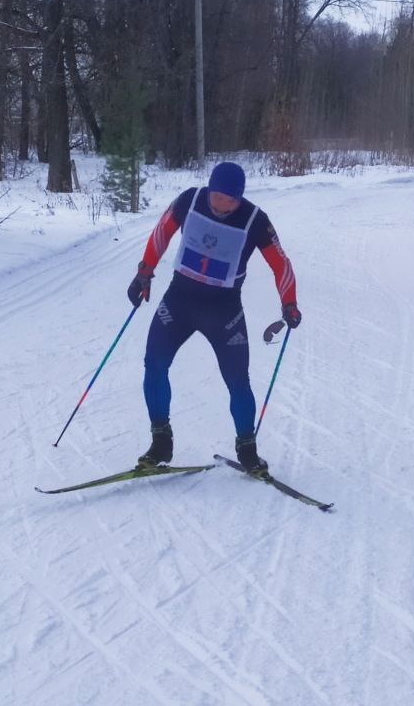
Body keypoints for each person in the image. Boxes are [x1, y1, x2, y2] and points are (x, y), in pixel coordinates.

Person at [126, 160, 301, 474]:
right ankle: (160, 440)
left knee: (238, 381)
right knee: (154, 364)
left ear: (240, 198)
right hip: (179, 301)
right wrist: (144, 273)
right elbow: (160, 234)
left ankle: (247, 448)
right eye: (219, 197)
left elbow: (280, 264)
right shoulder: (190, 200)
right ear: (209, 189)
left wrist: (289, 303)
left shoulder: (255, 220)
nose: (224, 205)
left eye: (232, 200)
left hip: (224, 310)